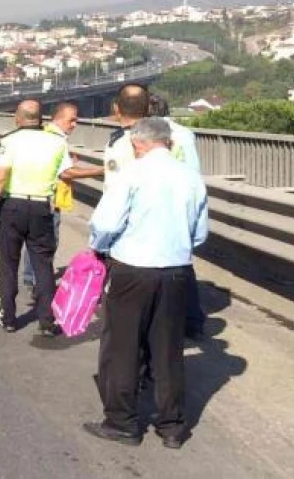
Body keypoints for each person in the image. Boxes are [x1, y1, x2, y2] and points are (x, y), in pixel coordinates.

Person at [83, 117, 208, 450]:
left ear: (138, 144)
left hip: (133, 268)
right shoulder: (191, 177)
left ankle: (122, 422)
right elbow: (200, 233)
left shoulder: (132, 173)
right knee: (167, 349)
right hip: (176, 270)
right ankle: (173, 426)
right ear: (167, 141)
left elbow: (106, 223)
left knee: (122, 346)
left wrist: (98, 247)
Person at [0, 100, 70, 336]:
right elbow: (66, 172)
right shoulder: (58, 142)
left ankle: (8, 318)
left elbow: (0, 176)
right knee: (43, 266)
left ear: (18, 118)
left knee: (8, 264)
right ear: (41, 118)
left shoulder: (10, 140)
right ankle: (47, 321)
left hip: (13, 207)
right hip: (41, 208)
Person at [20, 102, 103, 290]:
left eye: (76, 120)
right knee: (48, 241)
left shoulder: (42, 134)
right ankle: (39, 282)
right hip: (49, 198)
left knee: (34, 239)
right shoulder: (57, 139)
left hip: (35, 194)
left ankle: (30, 276)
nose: (74, 124)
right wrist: (99, 170)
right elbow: (65, 173)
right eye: (71, 120)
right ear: (57, 118)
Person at [148, 93, 206, 339]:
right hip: (182, 199)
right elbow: (194, 169)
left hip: (155, 201)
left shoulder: (145, 135)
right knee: (182, 262)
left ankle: (156, 317)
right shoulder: (185, 133)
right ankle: (193, 321)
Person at [102, 85, 149, 193]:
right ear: (147, 109)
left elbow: (112, 188)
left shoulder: (117, 144)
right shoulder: (162, 140)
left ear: (116, 108)